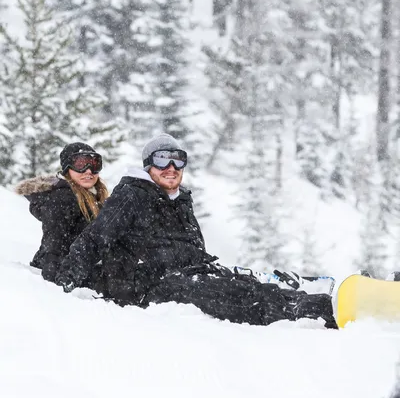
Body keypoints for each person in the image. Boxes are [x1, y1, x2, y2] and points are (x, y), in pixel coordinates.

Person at [56, 133, 337, 328]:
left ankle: (321, 298)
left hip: (186, 273)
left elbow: (194, 248)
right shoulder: (131, 195)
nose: (171, 167)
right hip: (150, 286)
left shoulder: (180, 200)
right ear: (148, 166)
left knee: (242, 283)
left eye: (178, 159)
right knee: (230, 296)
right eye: (162, 159)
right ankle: (308, 311)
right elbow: (94, 239)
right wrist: (64, 283)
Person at [15, 142, 108, 285]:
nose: (88, 171)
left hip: (78, 269)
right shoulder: (63, 199)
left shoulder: (93, 196)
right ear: (67, 169)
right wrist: (57, 286)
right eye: (80, 164)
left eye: (94, 164)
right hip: (65, 273)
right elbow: (54, 245)